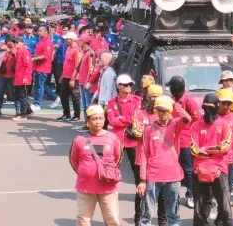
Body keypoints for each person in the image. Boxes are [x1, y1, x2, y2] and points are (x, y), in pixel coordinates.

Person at [138, 95, 191, 226]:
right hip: (153, 176)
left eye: (165, 110)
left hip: (173, 176)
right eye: (159, 110)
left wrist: (174, 105)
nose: (162, 114)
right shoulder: (149, 129)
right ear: (155, 110)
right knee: (147, 214)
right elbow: (144, 155)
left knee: (173, 214)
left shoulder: (176, 124)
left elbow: (188, 119)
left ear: (170, 111)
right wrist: (142, 180)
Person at [69, 105, 122, 226]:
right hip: (86, 186)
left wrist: (107, 173)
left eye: (100, 118)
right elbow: (74, 160)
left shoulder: (113, 138)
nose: (98, 121)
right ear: (87, 121)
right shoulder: (79, 140)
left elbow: (118, 159)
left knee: (112, 219)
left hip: (108, 186)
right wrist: (86, 172)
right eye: (94, 119)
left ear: (104, 119)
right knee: (83, 219)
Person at [190, 93, 233, 226]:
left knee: (225, 207)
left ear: (217, 107)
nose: (207, 110)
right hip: (200, 169)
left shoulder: (225, 125)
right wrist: (213, 151)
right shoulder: (196, 126)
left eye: (210, 107)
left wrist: (206, 150)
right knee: (198, 209)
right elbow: (194, 149)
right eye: (205, 107)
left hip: (220, 169)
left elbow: (225, 147)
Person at [106, 74, 143, 225]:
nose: (129, 87)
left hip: (134, 142)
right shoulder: (111, 102)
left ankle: (139, 217)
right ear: (119, 86)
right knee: (111, 176)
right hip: (118, 142)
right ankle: (110, 214)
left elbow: (137, 118)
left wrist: (122, 119)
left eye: (130, 84)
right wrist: (126, 119)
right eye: (125, 85)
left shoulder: (137, 100)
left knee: (139, 178)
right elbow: (112, 121)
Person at [132, 84, 167, 226]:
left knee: (162, 195)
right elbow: (137, 132)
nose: (155, 100)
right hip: (142, 160)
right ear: (147, 96)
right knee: (142, 193)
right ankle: (138, 221)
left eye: (158, 97)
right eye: (152, 96)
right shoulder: (139, 113)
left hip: (161, 160)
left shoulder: (166, 114)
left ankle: (162, 221)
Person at [167, 75, 199, 208]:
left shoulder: (189, 102)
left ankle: (191, 194)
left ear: (176, 88)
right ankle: (173, 195)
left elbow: (196, 121)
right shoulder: (171, 100)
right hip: (173, 139)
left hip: (185, 140)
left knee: (188, 169)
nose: (169, 90)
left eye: (171, 87)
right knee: (174, 167)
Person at [216, 88, 233, 198]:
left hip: (230, 158)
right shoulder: (211, 117)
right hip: (214, 158)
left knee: (227, 187)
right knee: (215, 187)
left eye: (229, 103)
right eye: (223, 103)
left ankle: (226, 211)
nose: (226, 106)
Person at [31, 25, 56, 112]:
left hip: (43, 67)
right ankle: (55, 98)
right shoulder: (41, 41)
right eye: (38, 31)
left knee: (39, 86)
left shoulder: (48, 42)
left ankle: (37, 104)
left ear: (46, 32)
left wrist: (35, 58)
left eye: (41, 31)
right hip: (38, 66)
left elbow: (46, 56)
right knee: (41, 85)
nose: (39, 32)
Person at [59, 32, 83, 122]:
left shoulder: (77, 50)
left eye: (67, 39)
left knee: (75, 96)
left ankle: (77, 115)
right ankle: (66, 114)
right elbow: (66, 64)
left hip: (73, 77)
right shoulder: (69, 48)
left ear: (72, 40)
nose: (65, 40)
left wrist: (73, 79)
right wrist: (62, 75)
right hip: (66, 75)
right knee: (63, 95)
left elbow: (77, 66)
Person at [0, 34, 17, 118]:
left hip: (13, 75)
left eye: (12, 41)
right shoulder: (3, 47)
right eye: (8, 41)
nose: (10, 43)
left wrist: (10, 51)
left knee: (15, 93)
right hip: (3, 75)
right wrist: (3, 49)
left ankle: (18, 111)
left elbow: (17, 56)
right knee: (0, 93)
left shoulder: (16, 49)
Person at [13, 37, 33, 121]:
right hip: (19, 77)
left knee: (22, 96)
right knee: (19, 95)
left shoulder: (24, 51)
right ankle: (28, 111)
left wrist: (26, 77)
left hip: (22, 78)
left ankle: (23, 114)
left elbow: (28, 65)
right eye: (14, 42)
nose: (15, 44)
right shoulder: (20, 51)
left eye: (16, 42)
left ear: (21, 43)